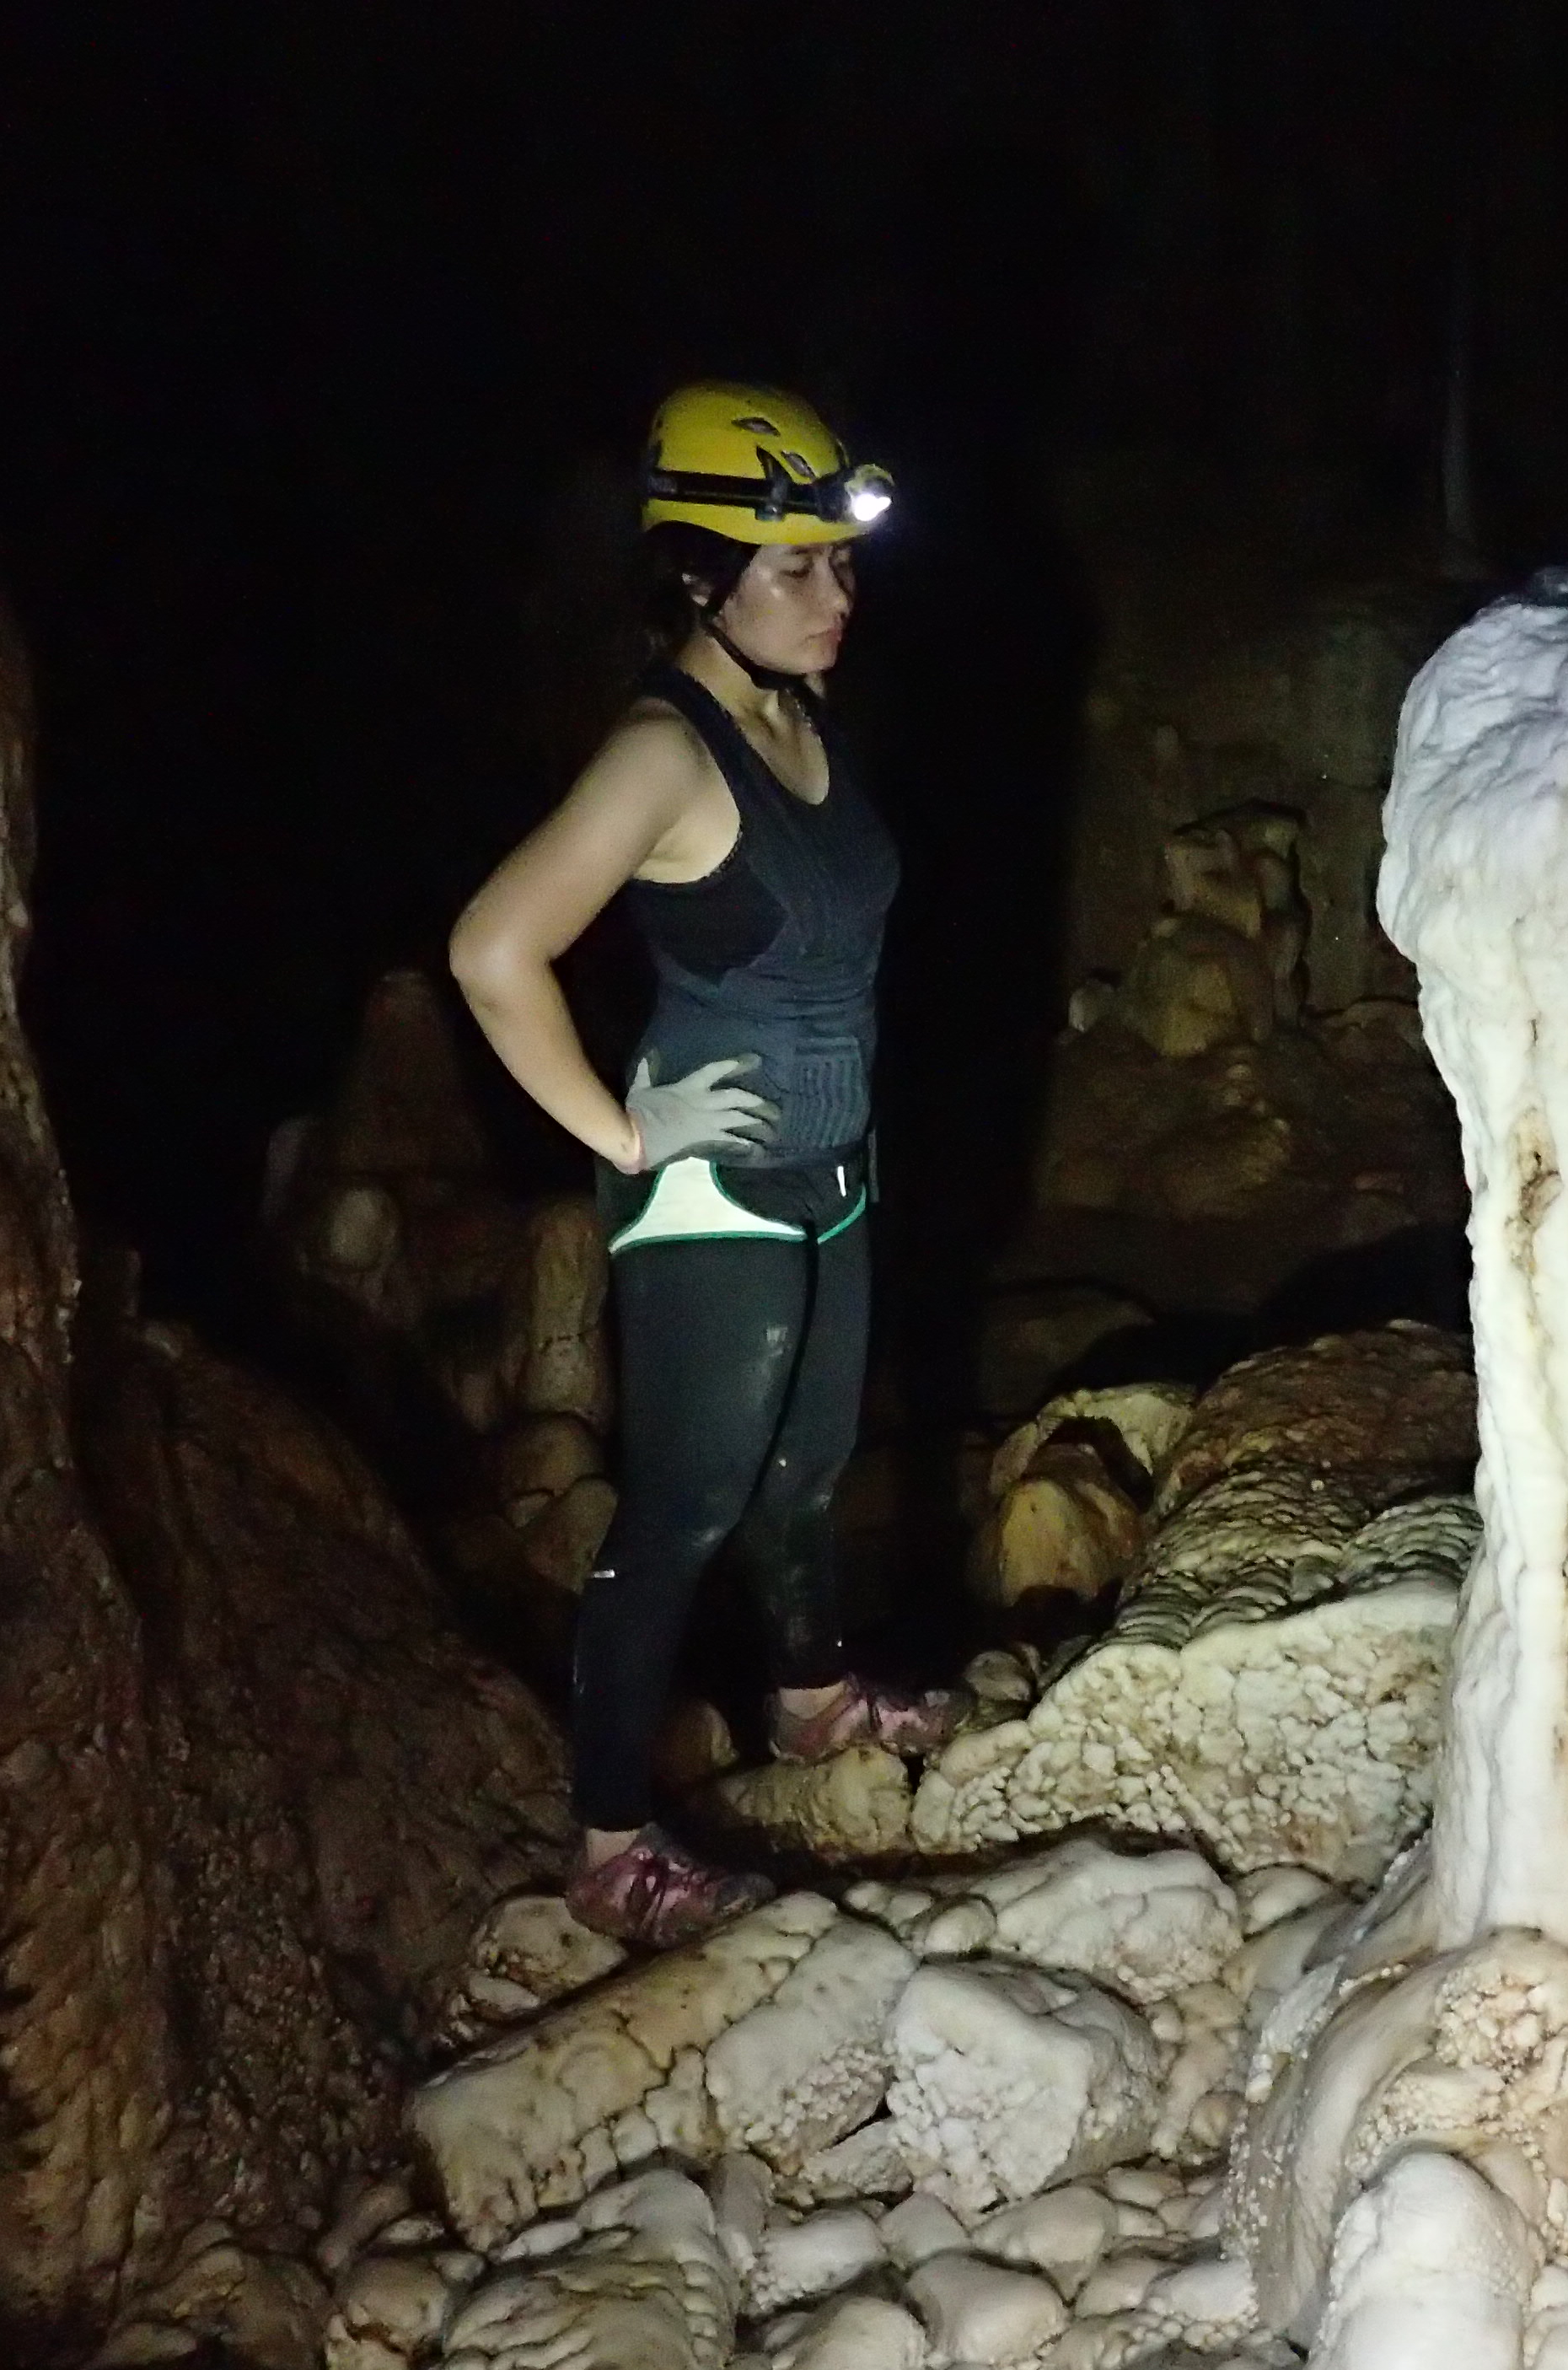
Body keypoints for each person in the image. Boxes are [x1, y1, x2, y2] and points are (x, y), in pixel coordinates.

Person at [449, 379, 958, 1945]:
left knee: (808, 1471)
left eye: (841, 562)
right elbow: (493, 950)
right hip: (711, 1187)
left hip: (833, 1165)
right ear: (699, 577)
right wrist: (623, 1131)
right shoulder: (663, 754)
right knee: (680, 1511)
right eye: (794, 568)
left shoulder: (797, 717)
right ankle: (610, 1846)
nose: (834, 594)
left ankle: (808, 1702)